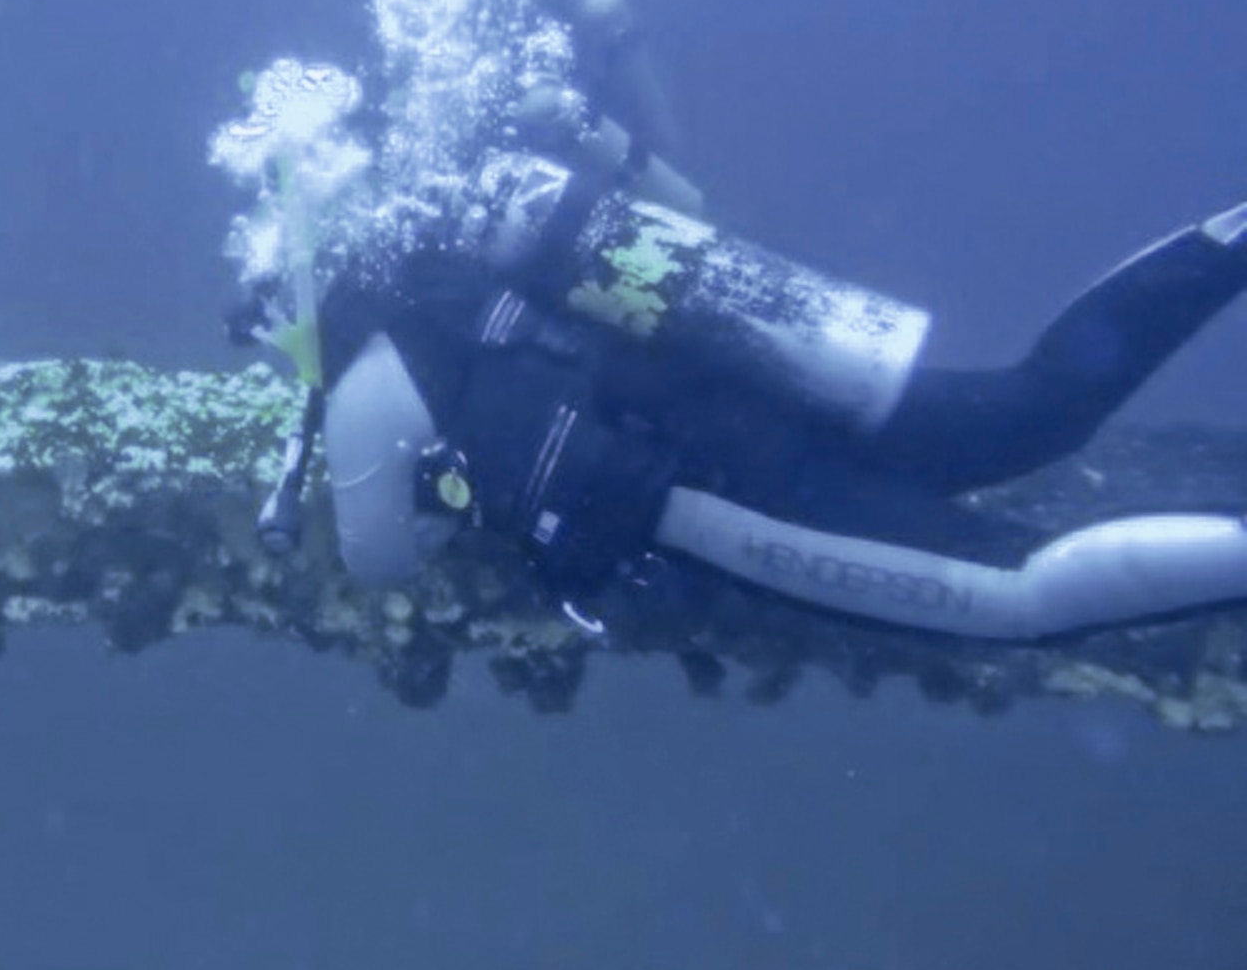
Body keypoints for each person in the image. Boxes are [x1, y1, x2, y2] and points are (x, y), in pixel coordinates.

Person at [248, 51, 1247, 643]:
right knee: (1030, 408)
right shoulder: (477, 232)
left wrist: (420, 485)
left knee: (1020, 594)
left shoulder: (368, 367)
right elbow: (681, 210)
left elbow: (379, 561)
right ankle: (1224, 241)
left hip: (711, 496)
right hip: (759, 367)